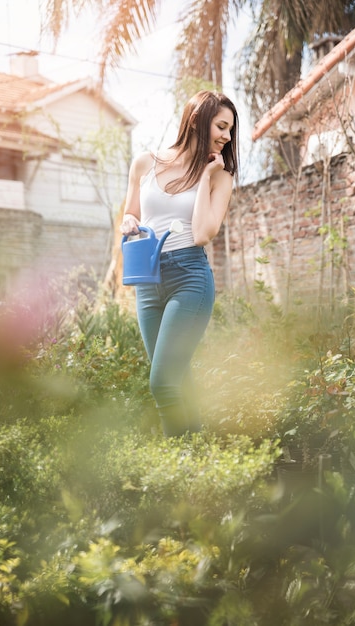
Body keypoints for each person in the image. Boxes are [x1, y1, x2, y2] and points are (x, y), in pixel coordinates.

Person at [120, 90, 239, 437]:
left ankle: (178, 468)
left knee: (162, 384)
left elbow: (202, 233)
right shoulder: (145, 163)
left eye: (230, 130)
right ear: (197, 120)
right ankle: (196, 461)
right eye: (221, 126)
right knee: (177, 380)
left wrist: (203, 177)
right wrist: (128, 220)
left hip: (190, 279)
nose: (227, 137)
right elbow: (132, 212)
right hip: (147, 279)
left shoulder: (221, 177)